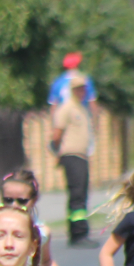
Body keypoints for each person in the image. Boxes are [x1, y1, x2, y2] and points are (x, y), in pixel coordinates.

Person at [51, 72, 96, 248]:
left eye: (83, 89)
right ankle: (79, 233)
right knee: (77, 195)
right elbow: (57, 133)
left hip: (82, 155)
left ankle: (77, 231)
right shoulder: (67, 108)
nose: (81, 92)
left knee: (82, 194)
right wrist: (58, 151)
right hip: (72, 155)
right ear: (72, 90)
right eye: (78, 89)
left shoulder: (81, 108)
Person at [0, 169, 67, 266]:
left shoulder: (42, 232)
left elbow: (46, 261)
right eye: (8, 200)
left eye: (22, 201)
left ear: (35, 199)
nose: (14, 205)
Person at [47, 52, 98, 117]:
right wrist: (95, 122)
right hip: (82, 117)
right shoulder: (86, 80)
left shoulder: (57, 82)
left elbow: (53, 107)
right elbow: (92, 103)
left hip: (64, 118)